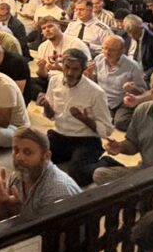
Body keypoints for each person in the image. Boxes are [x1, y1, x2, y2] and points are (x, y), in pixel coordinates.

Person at [39, 48, 115, 186]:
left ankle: (107, 162)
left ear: (83, 69)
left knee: (78, 176)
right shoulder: (54, 81)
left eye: (75, 69)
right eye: (67, 67)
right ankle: (70, 157)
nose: (69, 73)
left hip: (85, 140)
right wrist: (46, 106)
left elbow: (107, 130)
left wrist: (84, 119)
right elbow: (51, 117)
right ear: (62, 65)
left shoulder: (96, 92)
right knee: (36, 161)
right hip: (60, 135)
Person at [0, 128, 80, 224]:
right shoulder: (17, 176)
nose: (19, 157)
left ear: (46, 157)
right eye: (16, 150)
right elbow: (0, 222)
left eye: (27, 152)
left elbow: (43, 234)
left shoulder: (57, 192)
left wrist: (17, 211)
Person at [91, 35, 145, 131]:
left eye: (112, 50)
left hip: (123, 101)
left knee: (121, 123)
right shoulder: (98, 59)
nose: (107, 52)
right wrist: (89, 75)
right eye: (105, 48)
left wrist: (133, 89)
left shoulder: (133, 66)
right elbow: (94, 82)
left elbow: (144, 91)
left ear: (122, 51)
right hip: (104, 99)